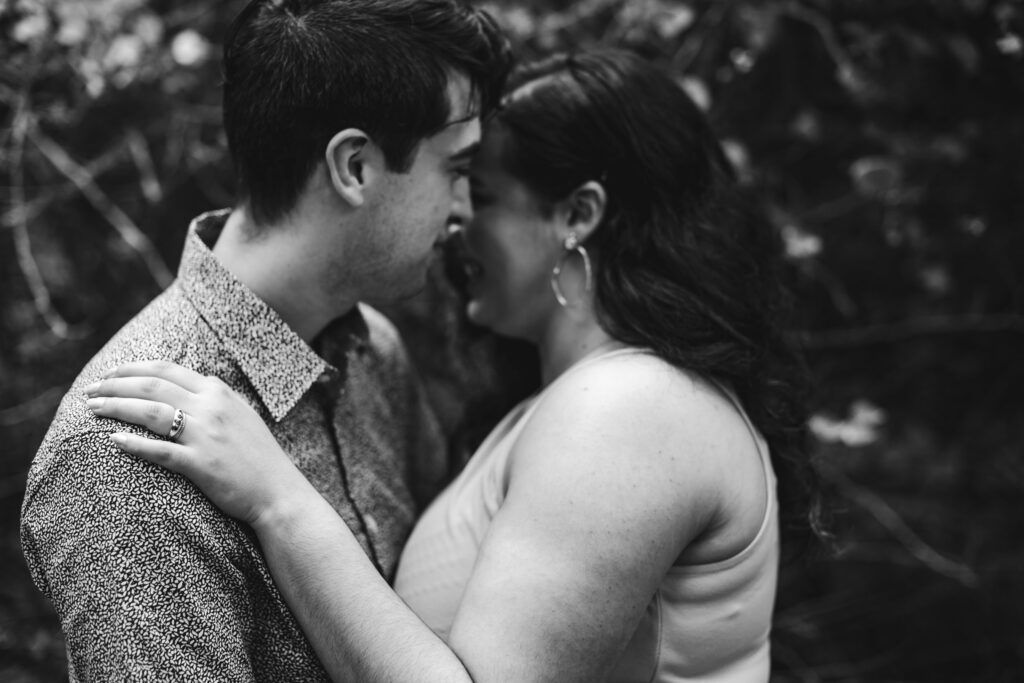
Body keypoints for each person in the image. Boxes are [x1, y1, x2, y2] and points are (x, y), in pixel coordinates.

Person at [85, 50, 825, 682]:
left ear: (578, 215)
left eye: (487, 191)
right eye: (458, 178)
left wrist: (278, 497)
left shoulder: (631, 407)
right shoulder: (589, 399)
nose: (458, 217)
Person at [20, 0, 510, 679]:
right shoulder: (126, 457)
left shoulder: (375, 354)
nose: (461, 211)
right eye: (454, 169)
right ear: (356, 168)